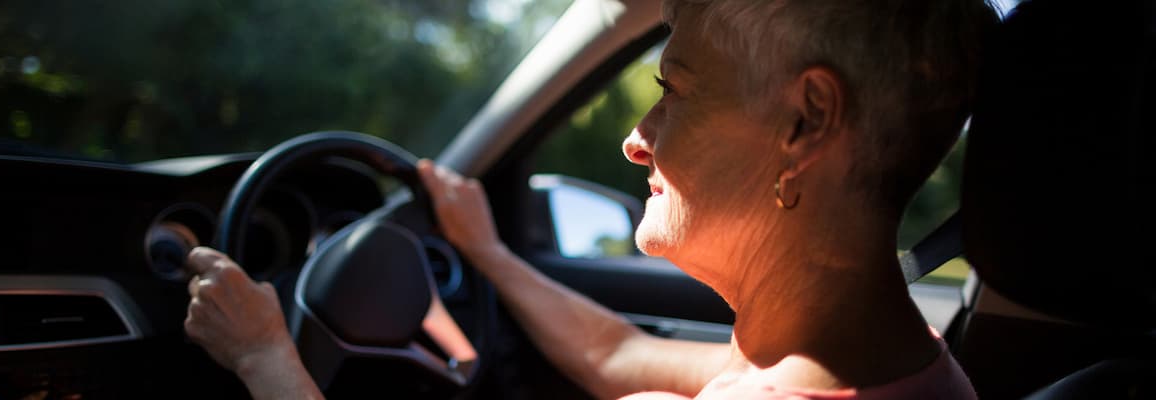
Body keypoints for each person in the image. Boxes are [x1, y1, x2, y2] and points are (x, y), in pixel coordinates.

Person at [182, 0, 1000, 398]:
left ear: (805, 121)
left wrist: (263, 356)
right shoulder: (892, 356)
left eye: (674, 91)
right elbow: (613, 356)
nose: (636, 137)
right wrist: (488, 253)